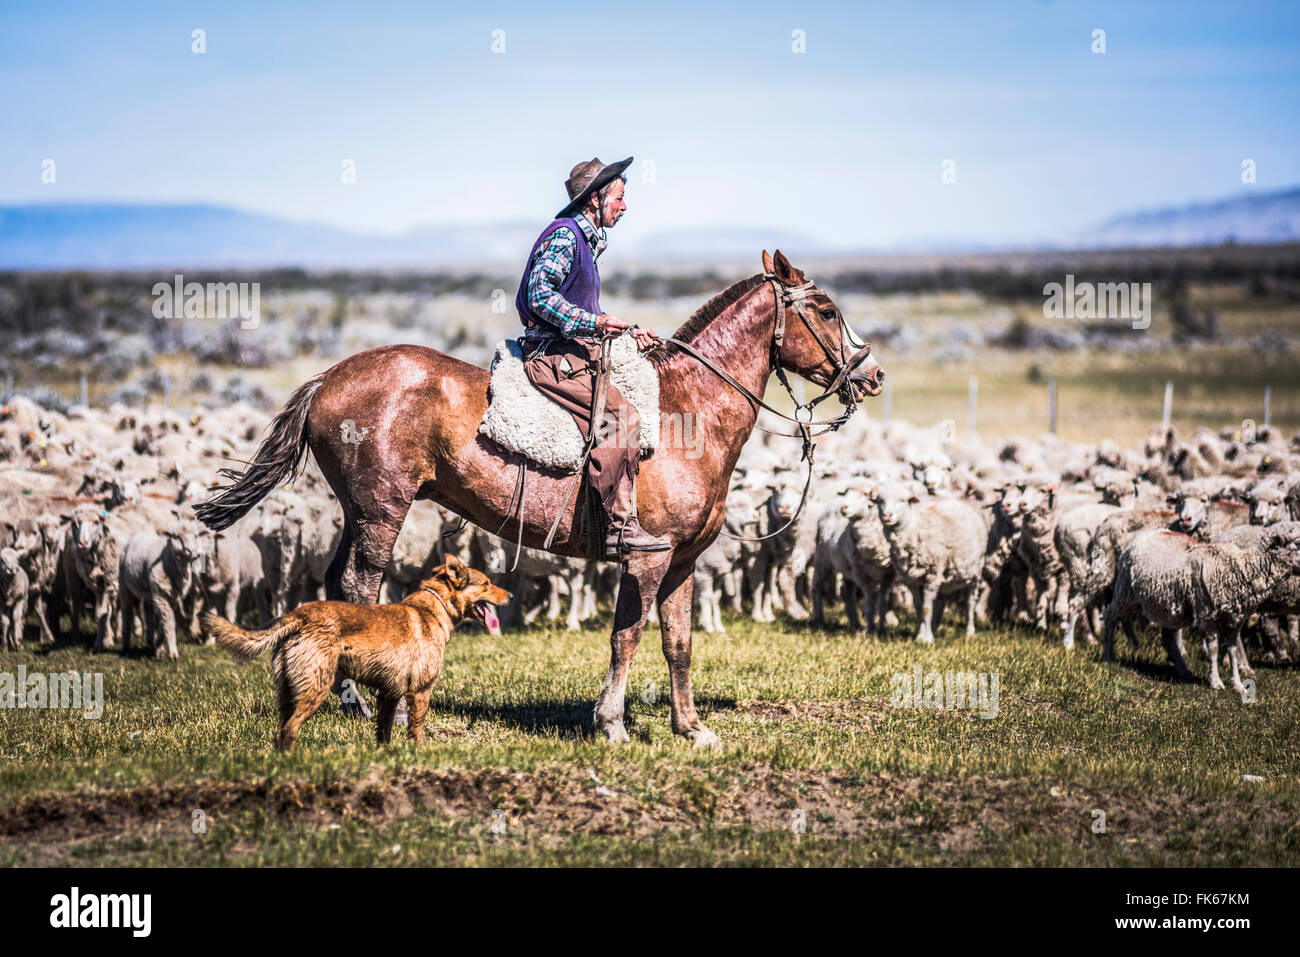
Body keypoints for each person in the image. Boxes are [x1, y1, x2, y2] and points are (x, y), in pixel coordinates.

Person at [514, 156, 670, 558]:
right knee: (622, 418)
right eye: (618, 198)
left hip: (569, 349)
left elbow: (578, 306)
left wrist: (630, 332)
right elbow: (539, 295)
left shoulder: (584, 240)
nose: (624, 206)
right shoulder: (567, 236)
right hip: (550, 356)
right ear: (594, 200)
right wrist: (596, 323)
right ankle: (620, 527)